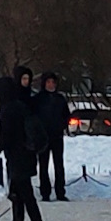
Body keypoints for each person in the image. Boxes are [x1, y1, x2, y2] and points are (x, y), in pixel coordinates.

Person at [0, 73, 46, 221]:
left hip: (17, 156)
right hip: (26, 154)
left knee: (25, 193)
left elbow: (5, 136)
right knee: (18, 192)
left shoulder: (8, 110)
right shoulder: (21, 106)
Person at [34, 73, 69, 201]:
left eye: (53, 82)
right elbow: (34, 117)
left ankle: (60, 191)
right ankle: (45, 192)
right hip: (43, 137)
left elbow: (66, 115)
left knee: (59, 164)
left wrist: (62, 126)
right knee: (43, 165)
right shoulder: (38, 99)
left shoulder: (60, 99)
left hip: (57, 136)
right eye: (48, 82)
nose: (51, 85)